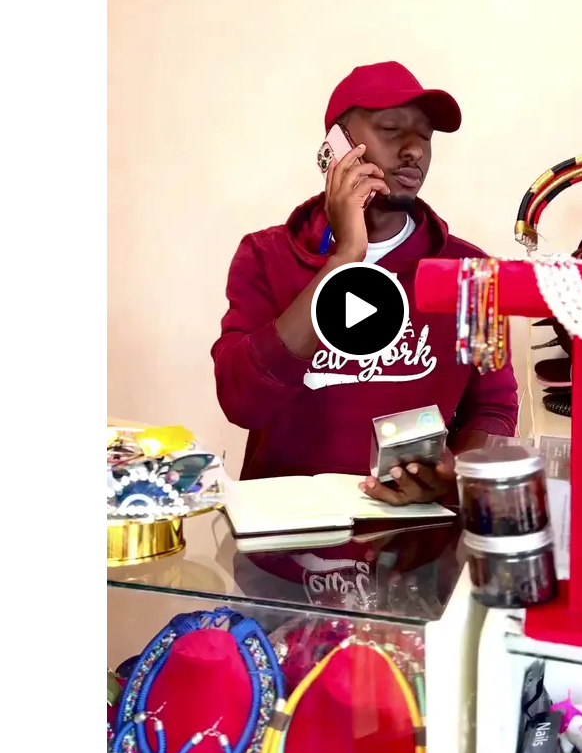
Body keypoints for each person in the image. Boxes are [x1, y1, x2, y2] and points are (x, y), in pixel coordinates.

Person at [212, 61, 518, 507]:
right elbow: (241, 402)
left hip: (417, 532)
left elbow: (494, 407)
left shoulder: (471, 272)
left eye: (425, 136)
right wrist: (345, 259)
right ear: (336, 147)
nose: (414, 150)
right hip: (286, 529)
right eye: (391, 129)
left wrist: (457, 476)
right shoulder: (265, 255)